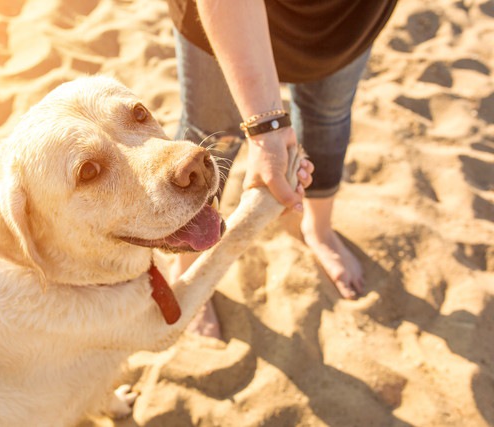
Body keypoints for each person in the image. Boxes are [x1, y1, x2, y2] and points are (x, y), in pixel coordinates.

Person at [167, 0, 398, 338]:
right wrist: (267, 127)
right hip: (226, 15)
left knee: (328, 115)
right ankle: (188, 267)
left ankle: (319, 229)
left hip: (347, 17)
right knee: (212, 131)